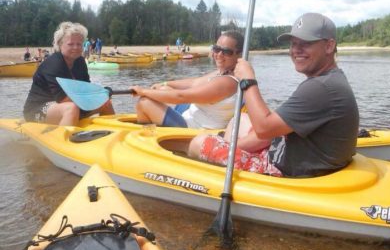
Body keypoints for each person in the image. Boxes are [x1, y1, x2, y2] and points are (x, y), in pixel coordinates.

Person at [188, 13, 359, 178]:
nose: (296, 50)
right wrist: (235, 146)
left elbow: (264, 129)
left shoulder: (321, 87)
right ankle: (226, 157)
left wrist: (248, 80)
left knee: (198, 143)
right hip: (289, 153)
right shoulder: (330, 79)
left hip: (283, 170)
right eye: (293, 43)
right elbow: (269, 130)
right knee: (237, 120)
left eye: (305, 43)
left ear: (329, 46)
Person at [131, 30, 244, 129]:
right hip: (194, 116)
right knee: (164, 89)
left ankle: (145, 136)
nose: (219, 54)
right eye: (216, 48)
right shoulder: (224, 73)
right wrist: (164, 83)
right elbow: (194, 83)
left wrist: (143, 91)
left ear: (239, 54)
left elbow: (181, 97)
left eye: (226, 52)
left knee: (144, 102)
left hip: (196, 128)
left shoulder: (227, 82)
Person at [23, 22, 115, 126]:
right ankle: (63, 140)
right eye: (70, 44)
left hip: (68, 105)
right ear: (60, 45)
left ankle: (113, 135)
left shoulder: (80, 62)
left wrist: (103, 95)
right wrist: (100, 95)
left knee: (106, 103)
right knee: (71, 108)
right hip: (36, 110)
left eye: (79, 44)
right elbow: (63, 99)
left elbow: (86, 89)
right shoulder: (54, 64)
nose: (75, 47)